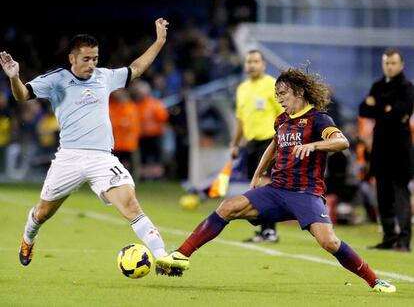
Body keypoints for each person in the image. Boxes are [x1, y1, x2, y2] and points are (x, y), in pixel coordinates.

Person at [156, 68, 396, 293]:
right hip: (277, 190)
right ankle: (181, 255)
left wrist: (313, 145)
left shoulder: (318, 119)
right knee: (228, 207)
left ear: (299, 92)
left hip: (305, 193)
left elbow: (342, 141)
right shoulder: (282, 120)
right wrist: (258, 174)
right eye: (277, 95)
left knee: (329, 242)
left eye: (283, 94)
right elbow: (273, 146)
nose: (279, 99)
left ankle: (374, 280)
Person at [0, 18, 182, 276]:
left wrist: (160, 41)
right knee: (42, 213)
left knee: (130, 204)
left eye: (95, 58)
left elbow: (136, 69)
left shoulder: (104, 77)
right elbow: (22, 95)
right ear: (72, 58)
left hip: (101, 159)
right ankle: (29, 237)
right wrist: (14, 78)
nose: (92, 64)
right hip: (69, 158)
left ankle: (162, 257)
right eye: (86, 59)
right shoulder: (56, 80)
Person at [359, 48, 414, 252]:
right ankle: (389, 238)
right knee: (383, 197)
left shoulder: (407, 87)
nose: (389, 66)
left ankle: (404, 241)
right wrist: (386, 108)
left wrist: (378, 105)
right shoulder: (377, 85)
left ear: (401, 65)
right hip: (380, 149)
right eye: (386, 63)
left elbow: (400, 111)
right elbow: (363, 109)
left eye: (393, 63)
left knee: (400, 196)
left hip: (400, 151)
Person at [230, 49, 284, 242]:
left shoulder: (272, 85)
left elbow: (283, 115)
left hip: (269, 142)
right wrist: (235, 144)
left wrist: (283, 141)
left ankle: (270, 230)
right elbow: (240, 120)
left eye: (255, 61)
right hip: (251, 144)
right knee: (256, 187)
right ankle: (264, 230)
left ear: (263, 64)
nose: (251, 65)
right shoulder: (242, 88)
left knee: (264, 185)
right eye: (248, 61)